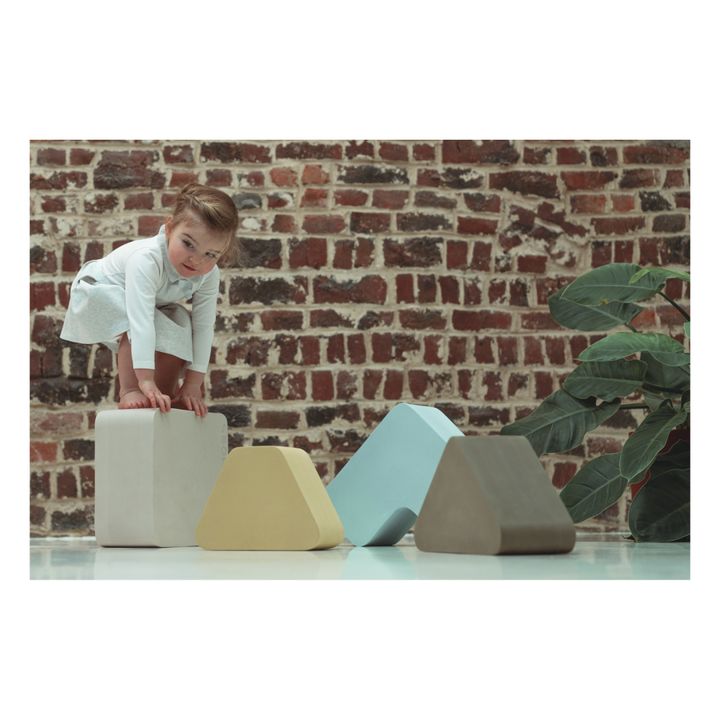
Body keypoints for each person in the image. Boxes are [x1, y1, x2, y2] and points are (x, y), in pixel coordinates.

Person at [60, 183, 238, 417]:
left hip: (148, 302)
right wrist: (144, 380)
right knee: (144, 321)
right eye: (188, 244)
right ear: (169, 229)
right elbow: (140, 321)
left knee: (179, 321)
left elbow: (203, 327)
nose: (196, 260)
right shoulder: (147, 260)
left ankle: (168, 391)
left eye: (211, 254)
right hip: (99, 290)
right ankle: (130, 389)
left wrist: (193, 383)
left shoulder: (208, 274)